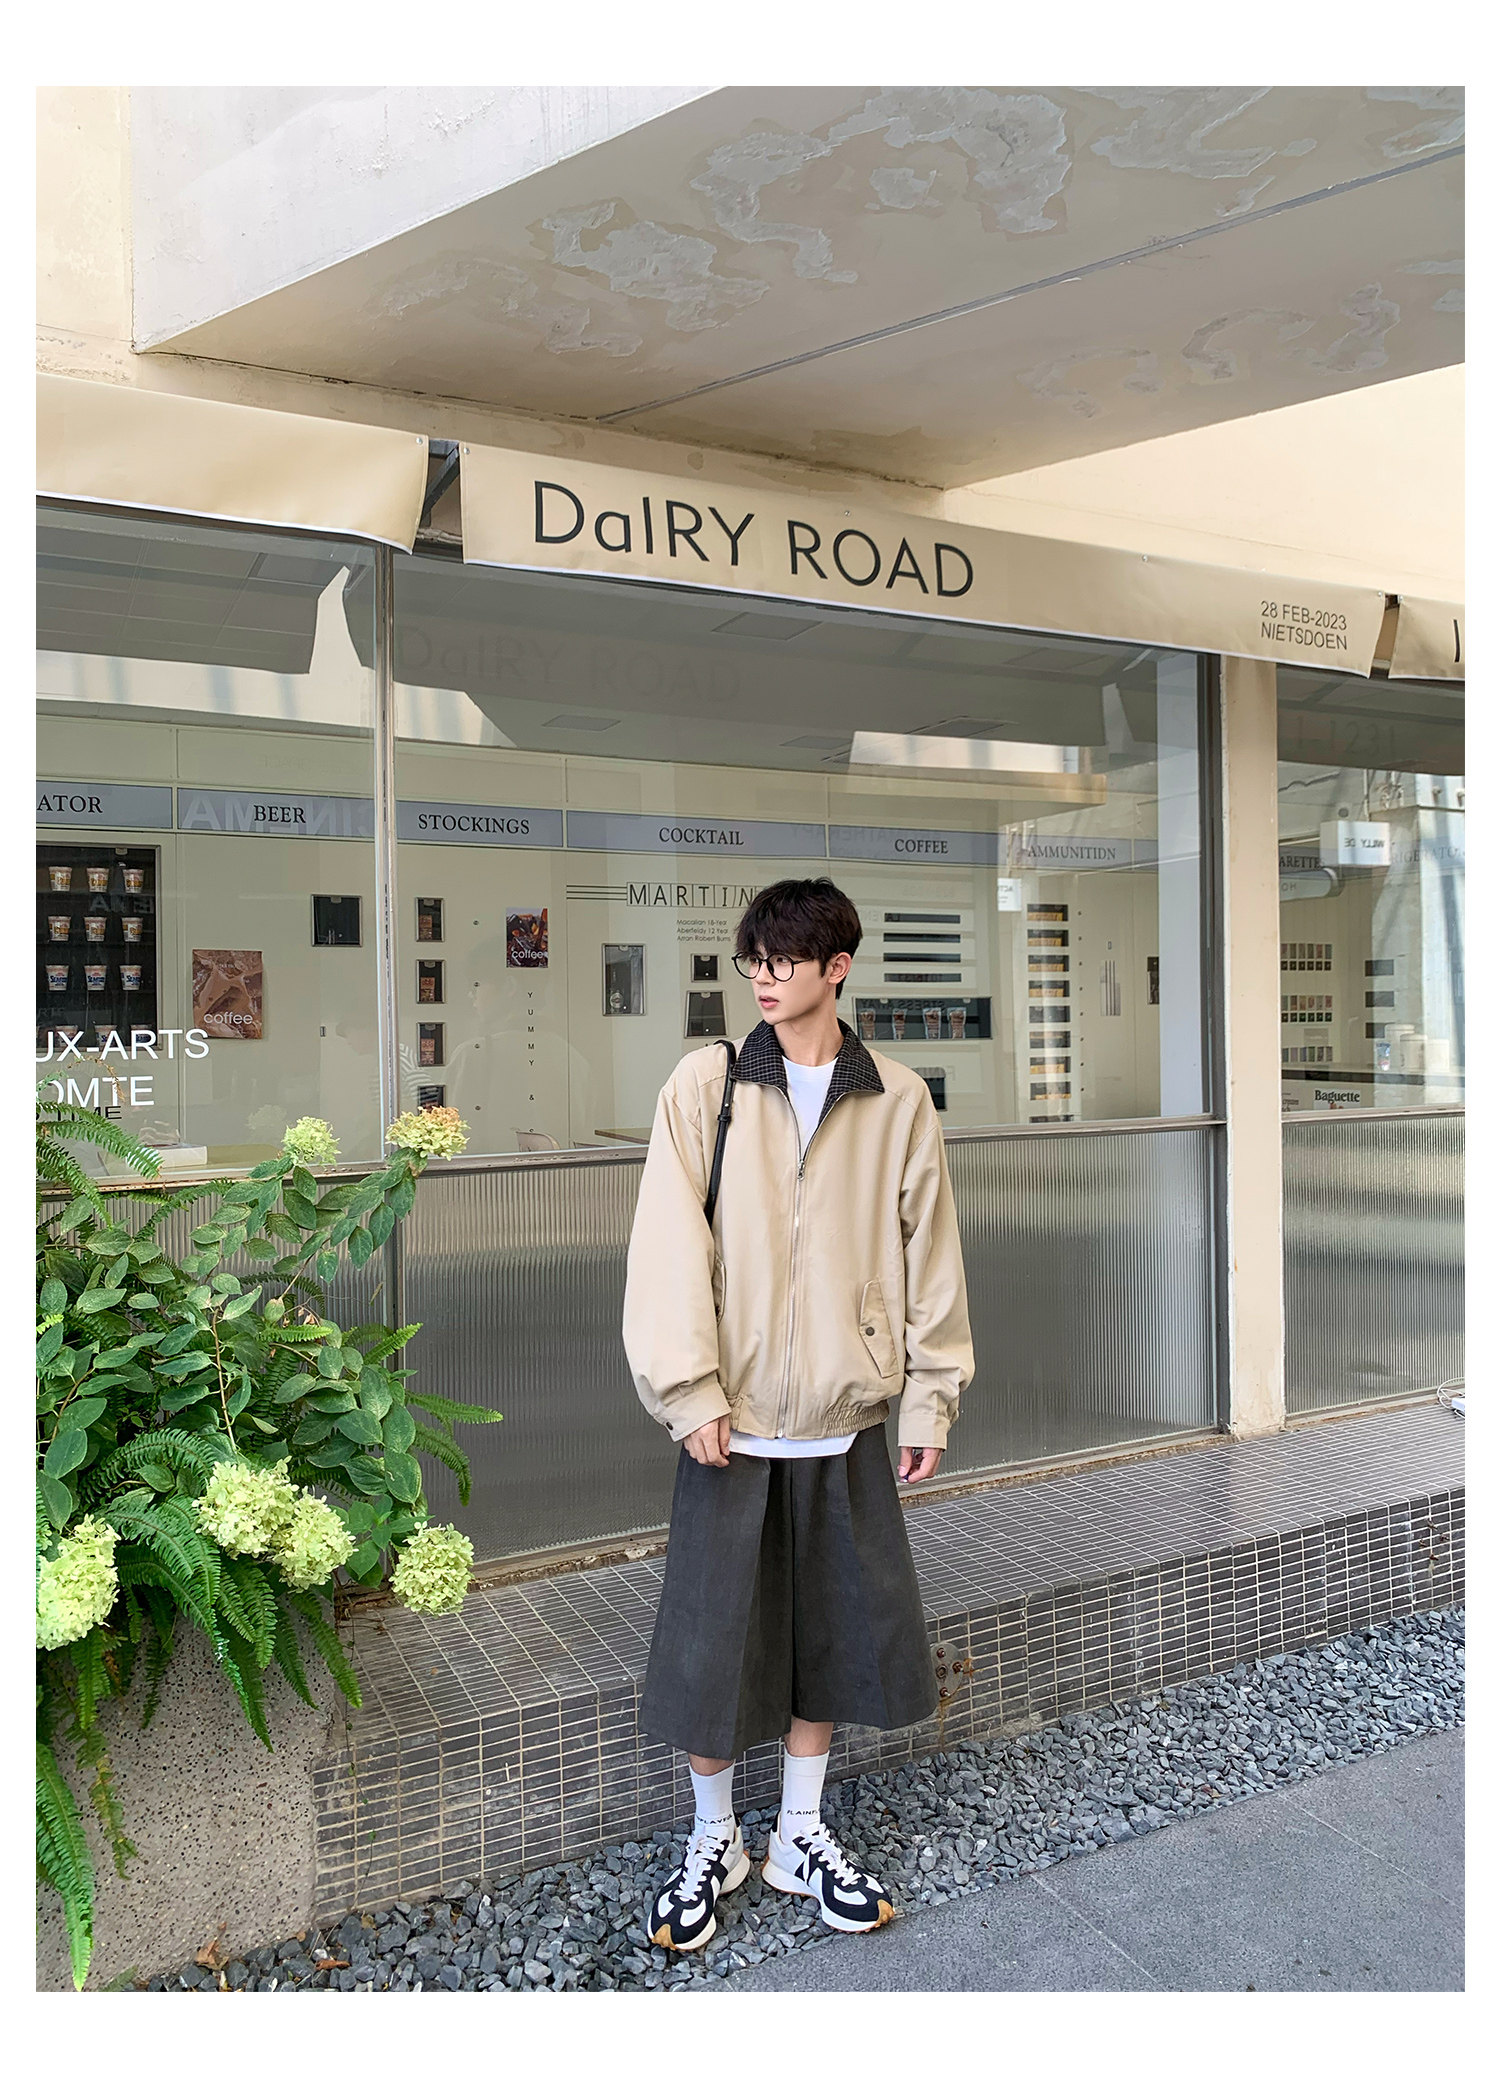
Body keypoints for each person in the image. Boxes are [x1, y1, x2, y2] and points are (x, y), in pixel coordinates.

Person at [622, 877, 974, 1952]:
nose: (765, 980)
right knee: (712, 1644)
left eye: (784, 961)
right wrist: (688, 1390)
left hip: (843, 1416)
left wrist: (930, 1398)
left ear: (837, 968)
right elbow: (666, 1244)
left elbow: (930, 1257)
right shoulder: (709, 1083)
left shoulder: (896, 1099)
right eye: (755, 961)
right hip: (732, 1422)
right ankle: (713, 1839)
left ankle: (798, 1835)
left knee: (827, 1635)